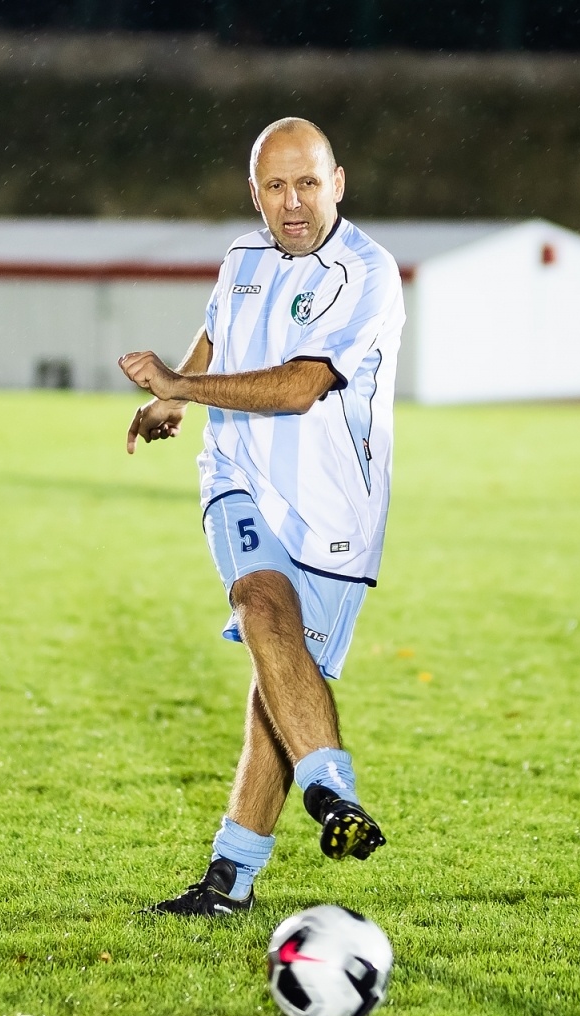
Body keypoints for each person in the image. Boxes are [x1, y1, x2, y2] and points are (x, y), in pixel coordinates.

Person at [121, 117, 405, 916]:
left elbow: (299, 385)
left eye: (308, 184)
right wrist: (177, 394)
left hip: (337, 511)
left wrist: (180, 384)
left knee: (280, 686)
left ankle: (230, 880)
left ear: (338, 183)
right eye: (275, 186)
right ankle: (331, 790)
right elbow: (220, 329)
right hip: (238, 478)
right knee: (259, 606)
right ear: (254, 191)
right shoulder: (242, 259)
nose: (292, 203)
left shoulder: (369, 275)